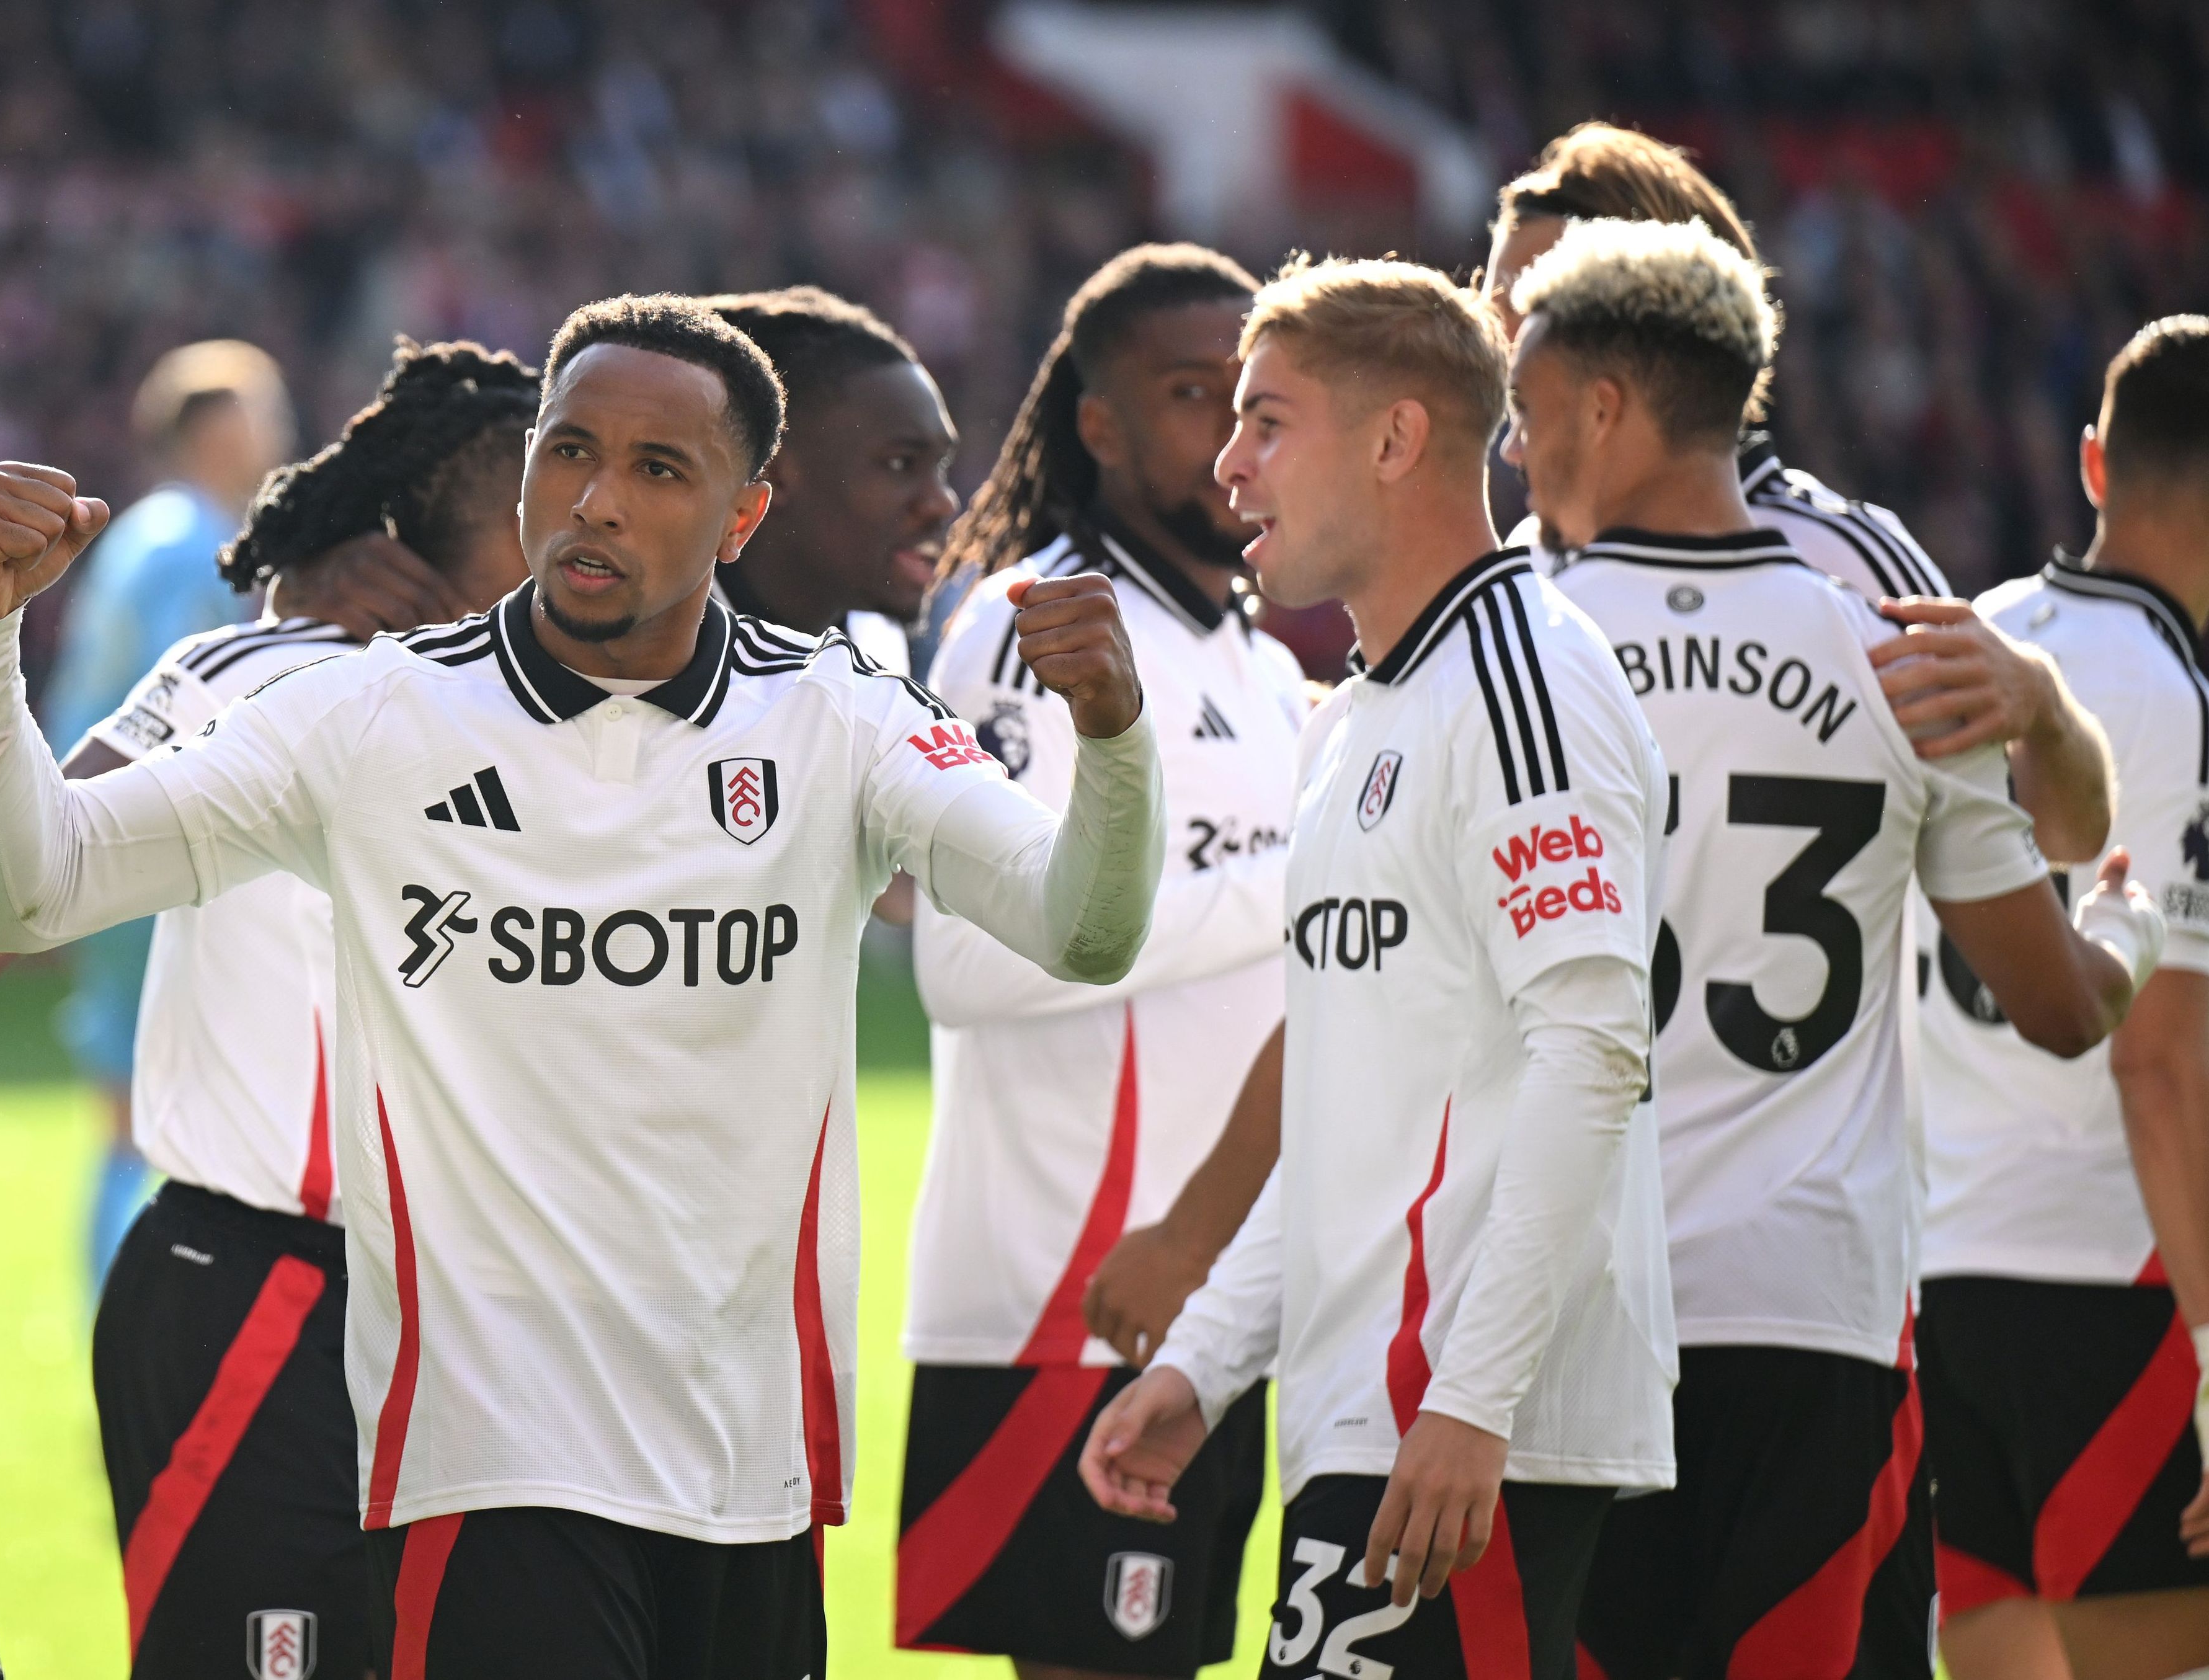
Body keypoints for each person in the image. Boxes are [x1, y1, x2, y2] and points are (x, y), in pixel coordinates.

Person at [0, 293, 1167, 1679]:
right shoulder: (369, 715)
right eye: (569, 450)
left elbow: (1081, 926)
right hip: (487, 1464)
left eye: (658, 468)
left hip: (746, 1464)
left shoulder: (842, 719)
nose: (597, 499)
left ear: (742, 517)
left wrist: (1112, 738)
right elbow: (22, 890)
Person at [1511, 218, 2159, 1680]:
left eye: (1530, 410)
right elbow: (2060, 1008)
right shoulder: (1894, 651)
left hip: (1569, 1319)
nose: (1519, 452)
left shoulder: (1516, 662)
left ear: (1603, 409)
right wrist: (2124, 923)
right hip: (1812, 1316)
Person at [1080, 257, 1677, 1674]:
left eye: (1267, 421)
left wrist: (1473, 1398)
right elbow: (1355, 1117)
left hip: (1463, 1432)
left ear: (1399, 439)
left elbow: (1594, 1052)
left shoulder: (1524, 681)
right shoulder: (1351, 720)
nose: (1228, 466)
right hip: (1376, 1414)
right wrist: (1206, 1362)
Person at [68, 339, 536, 1680]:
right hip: (273, 1292)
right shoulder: (262, 662)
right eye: (563, 493)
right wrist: (270, 626)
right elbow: (44, 854)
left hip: (487, 1306)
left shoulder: (592, 707)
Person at [894, 242, 1304, 1679]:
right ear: (1100, 425)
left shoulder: (1263, 661)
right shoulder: (1038, 631)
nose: (1233, 436)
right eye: (1193, 393)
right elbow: (963, 963)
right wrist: (1294, 887)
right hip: (1070, 1294)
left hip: (1222, 1291)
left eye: (1257, 401)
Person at [1478, 120, 2114, 868]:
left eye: (1539, 303)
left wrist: (2044, 709)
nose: (1506, 343)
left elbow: (2056, 847)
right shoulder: (1517, 575)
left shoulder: (1854, 564)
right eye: (1497, 311)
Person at [1916, 317, 2209, 1680]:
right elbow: (2156, 1064)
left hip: (1938, 1275)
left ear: (2093, 462)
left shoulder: (1961, 639)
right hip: (2111, 1281)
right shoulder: (2176, 695)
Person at [37, 338, 296, 1287]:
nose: (280, 432)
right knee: (183, 1124)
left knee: (130, 1120)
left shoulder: (146, 535)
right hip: (157, 855)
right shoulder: (198, 549)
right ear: (215, 429)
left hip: (103, 842)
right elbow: (195, 713)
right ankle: (144, 1322)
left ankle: (114, 1325)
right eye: (262, 411)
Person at [701, 285, 961, 677]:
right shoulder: (639, 655)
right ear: (771, 470)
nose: (943, 504)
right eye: (900, 463)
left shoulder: (878, 653)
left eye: (940, 467)